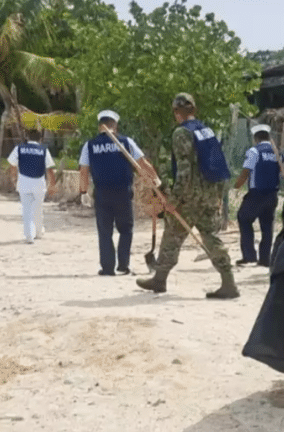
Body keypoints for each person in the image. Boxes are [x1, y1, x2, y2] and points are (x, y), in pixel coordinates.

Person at [136, 93, 239, 299]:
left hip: (190, 196)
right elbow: (219, 166)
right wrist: (218, 196)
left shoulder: (181, 133)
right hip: (210, 193)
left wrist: (173, 201)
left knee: (172, 236)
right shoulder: (207, 131)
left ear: (176, 112)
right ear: (194, 110)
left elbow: (184, 171)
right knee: (211, 237)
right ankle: (229, 282)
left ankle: (160, 278)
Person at [79, 110, 159, 276]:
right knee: (126, 229)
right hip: (123, 192)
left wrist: (83, 191)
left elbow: (83, 171)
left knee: (105, 232)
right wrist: (156, 180)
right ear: (114, 124)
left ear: (100, 125)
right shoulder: (125, 142)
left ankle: (107, 268)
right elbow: (143, 163)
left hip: (102, 194)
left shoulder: (90, 145)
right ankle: (123, 265)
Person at [233, 124, 284, 267]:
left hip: (256, 194)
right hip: (273, 194)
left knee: (243, 218)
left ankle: (249, 256)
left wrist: (236, 185)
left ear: (255, 138)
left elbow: (246, 171)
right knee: (267, 226)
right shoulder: (278, 153)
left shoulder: (254, 151)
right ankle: (265, 259)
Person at [7, 129, 56, 244]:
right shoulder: (43, 150)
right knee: (38, 208)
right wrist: (52, 185)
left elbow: (12, 165)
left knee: (27, 209)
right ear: (40, 139)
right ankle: (38, 233)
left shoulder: (19, 148)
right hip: (39, 182)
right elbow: (50, 169)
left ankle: (29, 235)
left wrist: (14, 179)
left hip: (24, 182)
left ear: (27, 137)